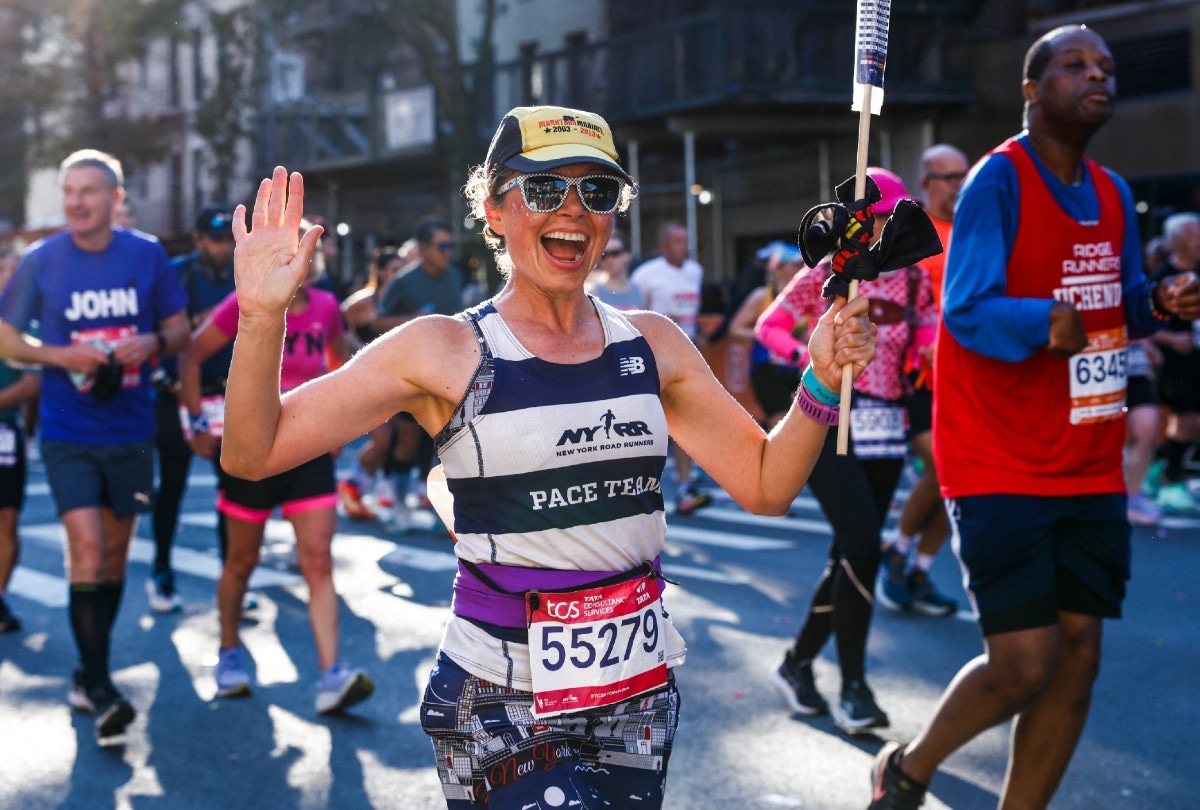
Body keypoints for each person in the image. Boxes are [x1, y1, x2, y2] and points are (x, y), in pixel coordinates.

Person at [219, 104, 875, 808]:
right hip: (498, 701)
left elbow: (767, 485)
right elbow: (254, 453)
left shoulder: (653, 344)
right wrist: (261, 317)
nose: (573, 210)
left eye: (597, 193)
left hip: (636, 695)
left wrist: (820, 380)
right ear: (494, 211)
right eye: (543, 190)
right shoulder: (445, 349)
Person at [868, 26, 1200, 809]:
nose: (1098, 77)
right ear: (1031, 89)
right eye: (1075, 65)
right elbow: (967, 311)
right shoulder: (998, 183)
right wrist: (1039, 321)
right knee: (1023, 662)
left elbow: (1109, 313)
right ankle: (909, 768)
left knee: (1079, 658)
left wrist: (1157, 301)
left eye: (1107, 68)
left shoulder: (1114, 193)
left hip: (1088, 454)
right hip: (997, 455)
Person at [0, 149, 190, 744]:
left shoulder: (146, 254)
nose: (76, 201)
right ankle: (103, 685)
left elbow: (181, 330)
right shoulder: (42, 261)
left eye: (88, 191)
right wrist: (61, 355)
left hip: (132, 431)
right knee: (84, 549)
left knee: (111, 557)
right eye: (68, 191)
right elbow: (6, 335)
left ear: (114, 198)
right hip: (68, 431)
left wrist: (150, 340)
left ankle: (86, 671)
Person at [757, 167, 937, 734]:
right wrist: (806, 360)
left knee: (848, 554)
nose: (887, 226)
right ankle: (855, 686)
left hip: (886, 426)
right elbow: (770, 325)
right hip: (828, 421)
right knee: (862, 545)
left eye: (893, 216)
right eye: (880, 215)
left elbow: (930, 329)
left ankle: (797, 662)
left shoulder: (913, 279)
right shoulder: (826, 271)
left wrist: (926, 352)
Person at [178, 226, 374, 715]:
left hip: (307, 452)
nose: (301, 263)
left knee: (318, 561)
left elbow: (340, 370)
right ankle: (227, 652)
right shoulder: (246, 299)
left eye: (309, 255)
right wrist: (195, 421)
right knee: (241, 563)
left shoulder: (327, 308)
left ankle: (333, 674)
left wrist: (338, 427)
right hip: (251, 452)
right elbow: (192, 355)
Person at [876, 143, 970, 617]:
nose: (958, 185)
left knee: (963, 478)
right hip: (918, 376)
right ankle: (897, 547)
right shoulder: (910, 232)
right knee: (943, 468)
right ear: (927, 184)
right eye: (949, 177)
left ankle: (919, 570)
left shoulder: (976, 229)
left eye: (963, 175)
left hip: (971, 374)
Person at [338, 218, 463, 520]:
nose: (448, 252)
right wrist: (415, 318)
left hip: (448, 376)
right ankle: (392, 499)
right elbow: (377, 322)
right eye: (441, 246)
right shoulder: (404, 281)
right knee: (403, 440)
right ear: (422, 248)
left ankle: (437, 506)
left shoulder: (455, 276)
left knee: (443, 442)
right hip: (408, 376)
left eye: (451, 246)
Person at [147, 205, 238, 613]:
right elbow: (161, 329)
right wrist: (208, 319)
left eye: (228, 239)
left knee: (232, 490)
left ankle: (230, 578)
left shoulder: (242, 269)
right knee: (172, 486)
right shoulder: (177, 272)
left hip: (228, 395)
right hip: (178, 393)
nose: (224, 247)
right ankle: (161, 571)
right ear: (198, 239)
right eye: (215, 239)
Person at [631, 221, 713, 514]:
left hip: (687, 353)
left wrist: (699, 338)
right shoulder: (645, 276)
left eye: (686, 241)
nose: (685, 247)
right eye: (678, 241)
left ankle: (684, 485)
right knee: (652, 424)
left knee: (684, 420)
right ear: (664, 246)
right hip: (654, 355)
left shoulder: (695, 271)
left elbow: (693, 312)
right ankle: (638, 486)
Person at [1148, 212, 1200, 512]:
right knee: (1185, 421)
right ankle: (1171, 480)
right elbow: (1144, 322)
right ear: (1177, 243)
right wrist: (1170, 339)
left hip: (1197, 357)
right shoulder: (1163, 277)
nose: (1198, 242)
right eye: (1192, 237)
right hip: (1175, 362)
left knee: (1194, 423)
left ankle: (1160, 466)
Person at [0, 244, 40, 633]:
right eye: (4, 269)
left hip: (6, 435)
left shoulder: (27, 323)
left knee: (7, 520)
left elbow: (32, 383)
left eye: (16, 271)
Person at [727, 241, 804, 428]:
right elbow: (734, 329)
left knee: (801, 423)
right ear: (778, 268)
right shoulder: (762, 296)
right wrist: (769, 335)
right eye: (795, 265)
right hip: (768, 370)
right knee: (779, 420)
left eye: (803, 264)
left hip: (797, 369)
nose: (802, 269)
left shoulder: (806, 297)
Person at [588, 228, 642, 310]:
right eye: (604, 255)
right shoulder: (593, 294)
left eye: (615, 253)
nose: (609, 259)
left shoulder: (643, 291)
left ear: (627, 255)